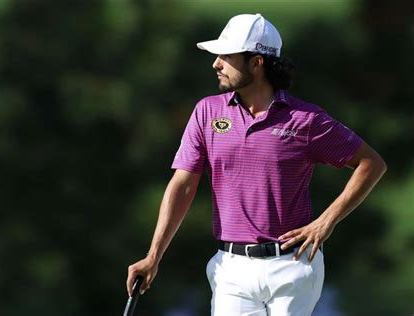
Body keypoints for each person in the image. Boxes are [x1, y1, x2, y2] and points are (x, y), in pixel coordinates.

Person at [126, 13, 387, 316]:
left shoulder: (305, 119)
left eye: (226, 55)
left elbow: (371, 163)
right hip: (231, 268)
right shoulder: (206, 112)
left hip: (291, 266)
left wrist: (325, 222)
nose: (216, 63)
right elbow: (182, 185)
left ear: (256, 62)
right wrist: (153, 256)